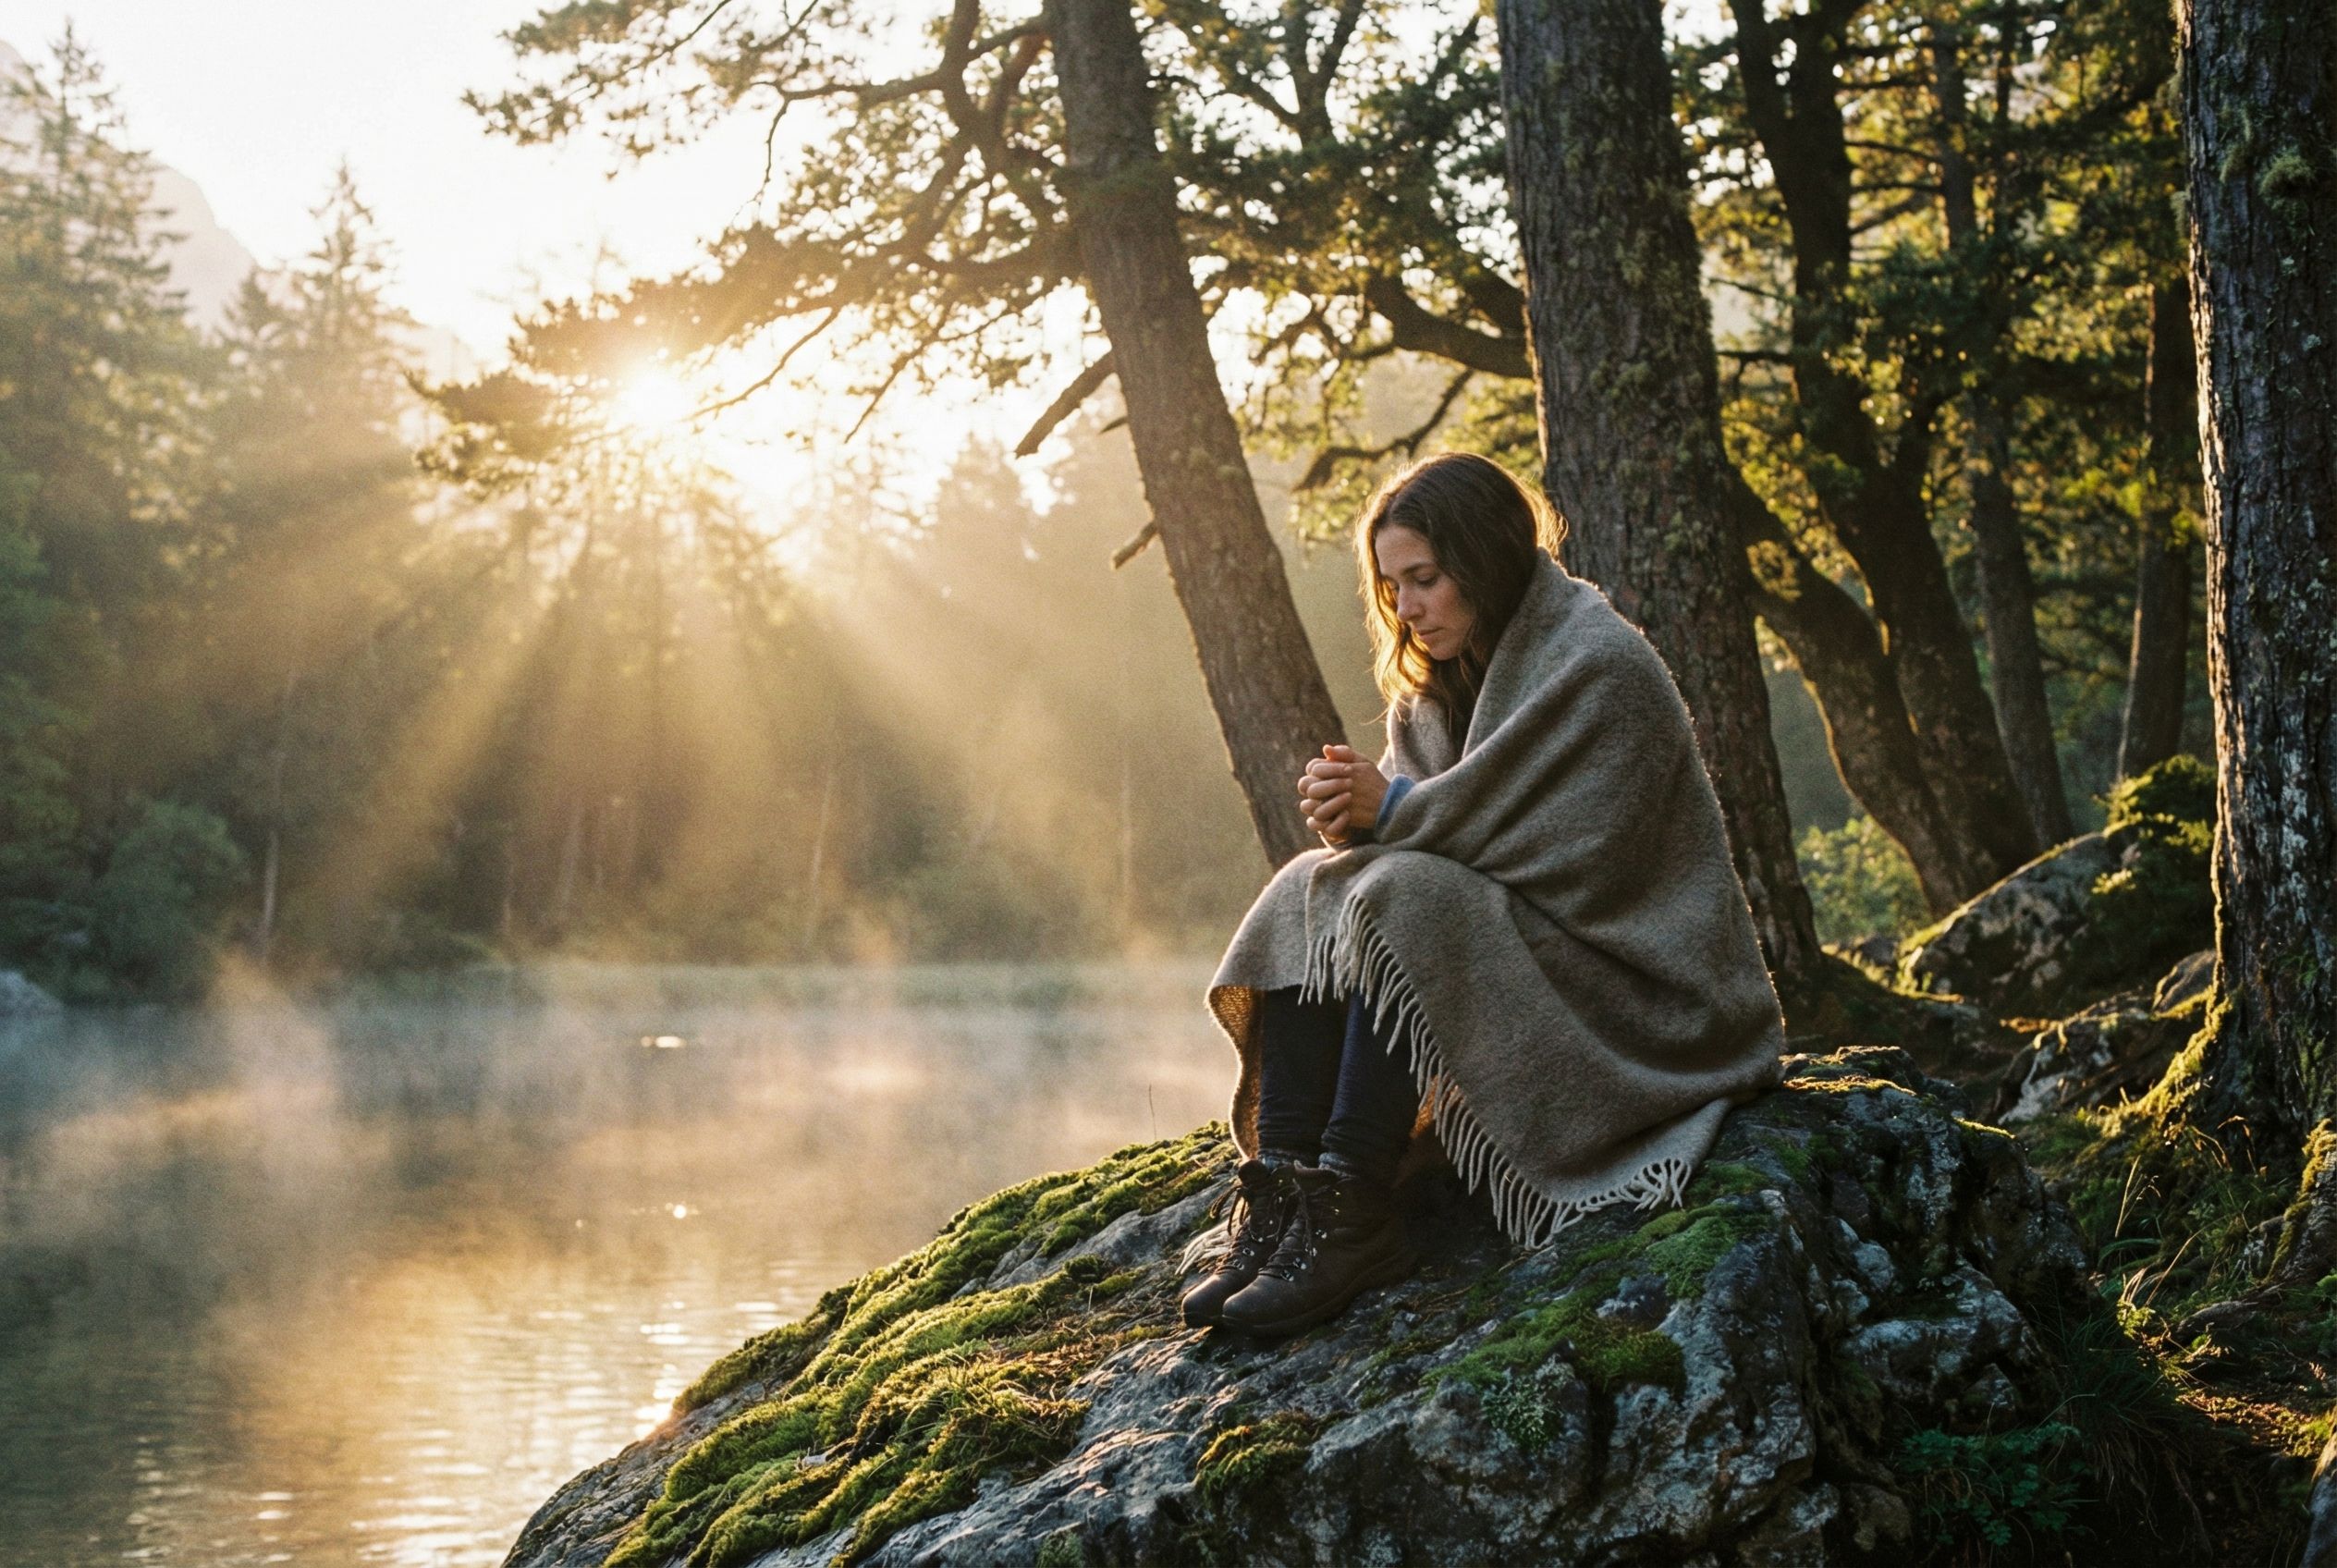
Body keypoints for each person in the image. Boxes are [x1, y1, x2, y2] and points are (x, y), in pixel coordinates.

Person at [1184, 452, 1787, 1338]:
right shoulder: (1431, 697)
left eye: (1425, 579)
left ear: (1487, 559)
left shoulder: (1601, 666)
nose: (1409, 608)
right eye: (1393, 588)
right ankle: (1289, 1190)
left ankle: (1355, 1203)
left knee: (1402, 899)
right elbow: (1418, 839)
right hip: (1521, 953)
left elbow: (1580, 864)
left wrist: (1389, 815)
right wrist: (1354, 823)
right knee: (1305, 890)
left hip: (1639, 995)